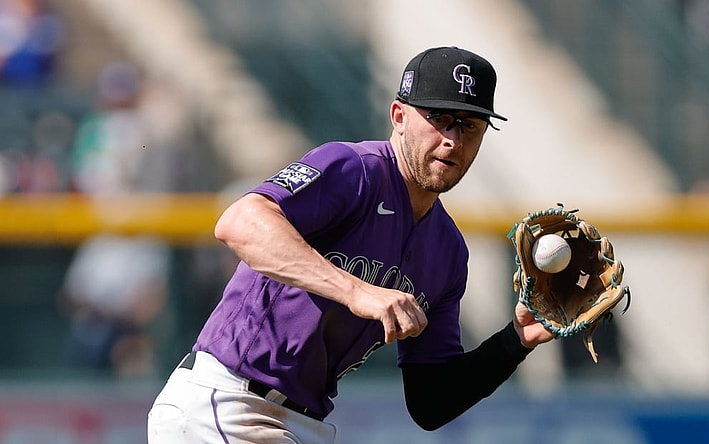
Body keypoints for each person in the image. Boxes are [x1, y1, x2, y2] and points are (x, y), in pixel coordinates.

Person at [147, 46, 555, 444]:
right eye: (440, 118)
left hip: (300, 423)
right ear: (398, 116)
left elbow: (431, 402)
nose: (452, 138)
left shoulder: (447, 251)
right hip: (227, 403)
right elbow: (239, 223)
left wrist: (514, 341)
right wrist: (358, 291)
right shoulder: (352, 170)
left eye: (469, 125)